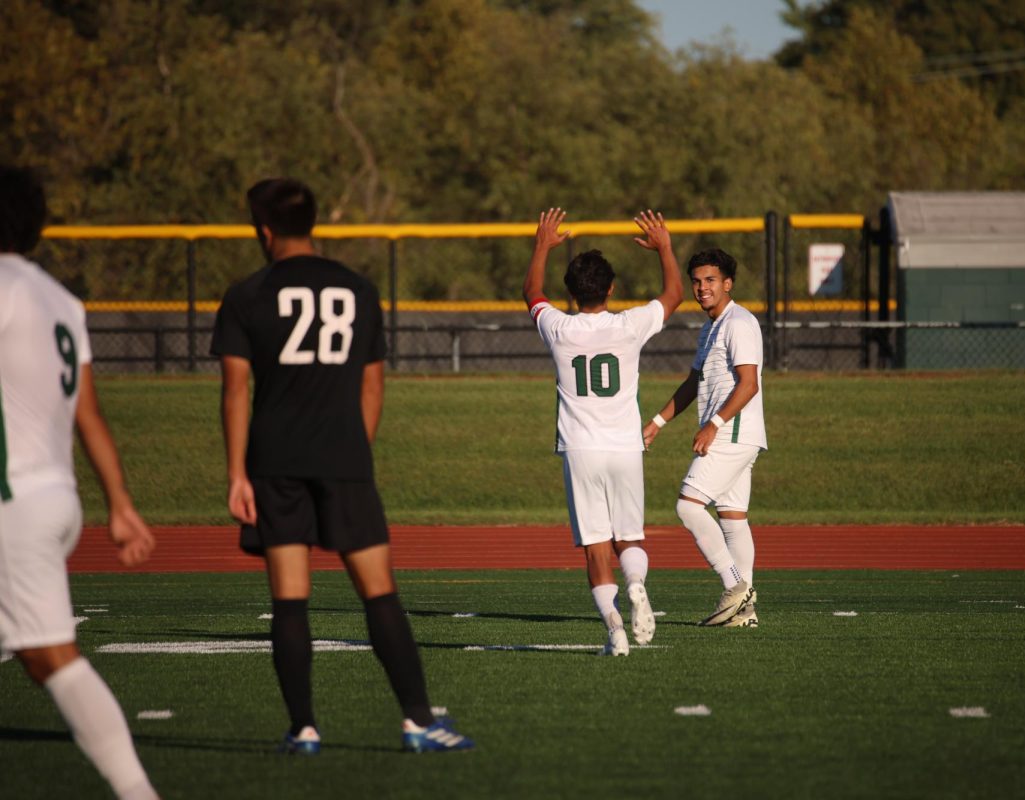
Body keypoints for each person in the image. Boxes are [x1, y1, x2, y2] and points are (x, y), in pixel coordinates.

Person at [211, 177, 471, 754]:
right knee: (378, 593)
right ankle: (418, 722)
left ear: (264, 229)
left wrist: (236, 474)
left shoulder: (246, 293)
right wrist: (356, 450)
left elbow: (234, 391)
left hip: (275, 461)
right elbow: (373, 385)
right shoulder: (357, 289)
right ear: (314, 222)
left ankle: (303, 728)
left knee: (289, 597)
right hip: (344, 459)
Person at [0, 166, 160, 799]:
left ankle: (137, 793)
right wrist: (119, 503)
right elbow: (88, 413)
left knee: (52, 659)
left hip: (12, 502)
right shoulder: (59, 299)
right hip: (56, 497)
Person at [523, 207, 683, 655]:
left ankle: (614, 627)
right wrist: (664, 246)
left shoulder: (558, 328)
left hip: (580, 449)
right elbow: (673, 294)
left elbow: (531, 292)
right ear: (611, 289)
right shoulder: (629, 325)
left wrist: (542, 245)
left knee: (595, 548)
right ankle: (636, 585)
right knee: (628, 538)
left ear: (571, 294)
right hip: (626, 446)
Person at [642, 248, 766, 628]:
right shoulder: (710, 326)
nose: (701, 288)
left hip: (733, 432)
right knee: (732, 519)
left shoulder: (739, 323)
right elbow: (694, 382)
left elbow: (749, 384)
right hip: (733, 434)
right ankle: (743, 612)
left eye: (710, 280)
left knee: (688, 506)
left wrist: (713, 424)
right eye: (696, 281)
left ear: (728, 284)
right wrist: (657, 423)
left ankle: (736, 586)